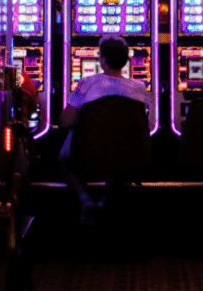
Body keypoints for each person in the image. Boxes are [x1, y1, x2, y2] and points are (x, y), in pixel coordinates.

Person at [58, 35, 148, 225]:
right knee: (120, 156)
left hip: (89, 155)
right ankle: (105, 201)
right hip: (128, 155)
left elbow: (65, 122)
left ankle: (85, 199)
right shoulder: (139, 88)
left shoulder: (86, 83)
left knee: (63, 159)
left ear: (103, 60)